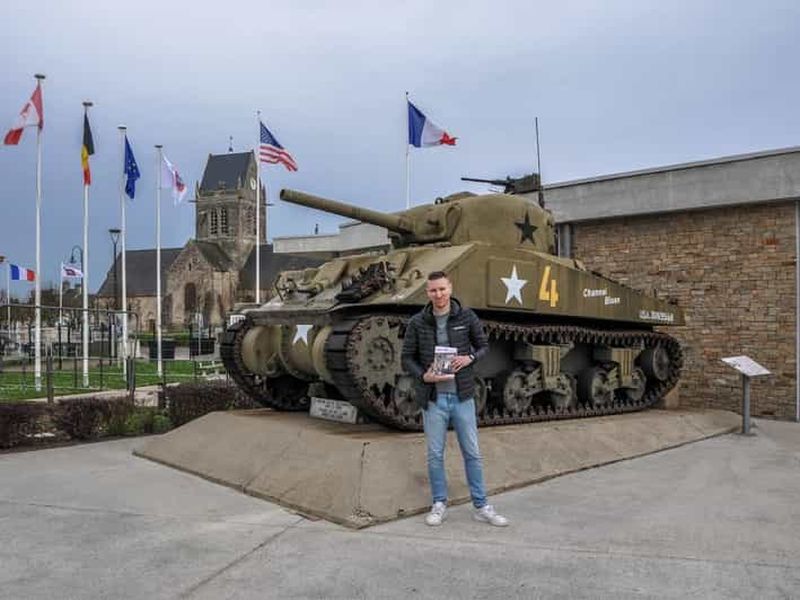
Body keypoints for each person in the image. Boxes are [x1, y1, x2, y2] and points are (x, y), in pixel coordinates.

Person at [401, 271, 509, 527]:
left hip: (462, 397)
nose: (438, 294)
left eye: (442, 289)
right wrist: (423, 376)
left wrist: (470, 358)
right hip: (434, 399)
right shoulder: (418, 322)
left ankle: (482, 505)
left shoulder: (466, 316)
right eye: (433, 290)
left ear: (450, 288)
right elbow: (406, 358)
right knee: (435, 454)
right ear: (427, 293)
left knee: (472, 452)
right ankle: (439, 503)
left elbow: (483, 346)